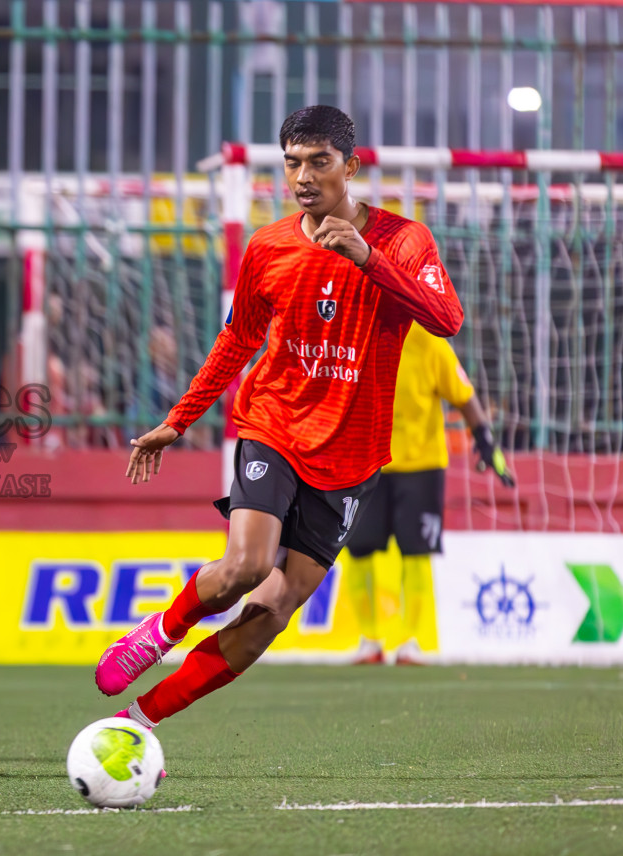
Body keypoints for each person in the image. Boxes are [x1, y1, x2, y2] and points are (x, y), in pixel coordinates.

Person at [95, 105, 463, 730]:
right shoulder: (268, 246)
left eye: (319, 162)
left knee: (274, 609)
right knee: (247, 565)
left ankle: (139, 722)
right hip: (275, 424)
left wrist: (368, 259)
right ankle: (160, 630)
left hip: (350, 457)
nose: (303, 176)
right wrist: (178, 420)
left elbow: (446, 320)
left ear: (350, 167)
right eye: (293, 163)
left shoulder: (404, 240)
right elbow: (237, 341)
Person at [344, 322, 515, 666]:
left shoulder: (430, 341)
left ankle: (410, 641)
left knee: (417, 550)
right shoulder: (356, 333)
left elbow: (464, 395)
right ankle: (370, 640)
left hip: (421, 464)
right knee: (359, 548)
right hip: (365, 460)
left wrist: (485, 439)